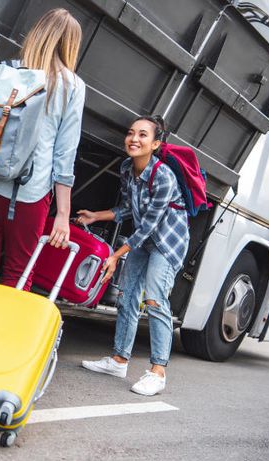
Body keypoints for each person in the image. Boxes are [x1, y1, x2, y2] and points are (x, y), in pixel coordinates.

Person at [0, 8, 85, 298]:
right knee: (19, 274)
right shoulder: (71, 86)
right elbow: (64, 156)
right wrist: (63, 215)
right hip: (28, 196)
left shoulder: (5, 69)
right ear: (70, 45)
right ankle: (2, 341)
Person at [77, 115, 189, 396]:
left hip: (167, 242)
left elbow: (151, 224)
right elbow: (127, 208)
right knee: (128, 295)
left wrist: (115, 256)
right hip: (143, 241)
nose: (134, 139)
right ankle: (118, 360)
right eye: (130, 133)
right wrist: (96, 216)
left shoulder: (163, 175)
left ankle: (158, 372)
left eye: (142, 135)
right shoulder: (128, 168)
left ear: (155, 144)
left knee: (154, 298)